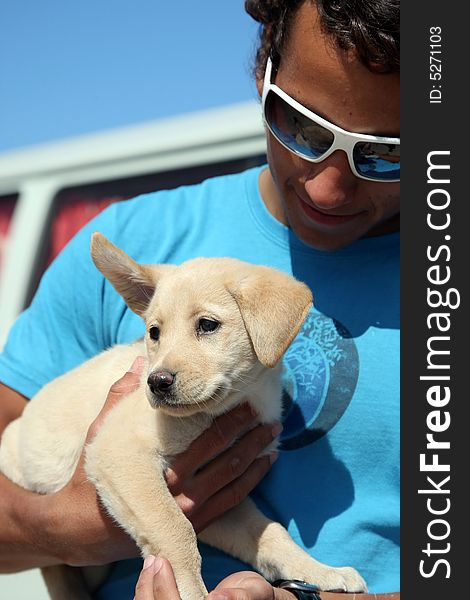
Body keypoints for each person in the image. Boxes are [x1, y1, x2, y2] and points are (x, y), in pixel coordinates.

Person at [0, 0, 400, 598]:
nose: (328, 185)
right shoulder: (137, 245)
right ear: (264, 63)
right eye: (303, 127)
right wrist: (68, 527)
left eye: (387, 152)